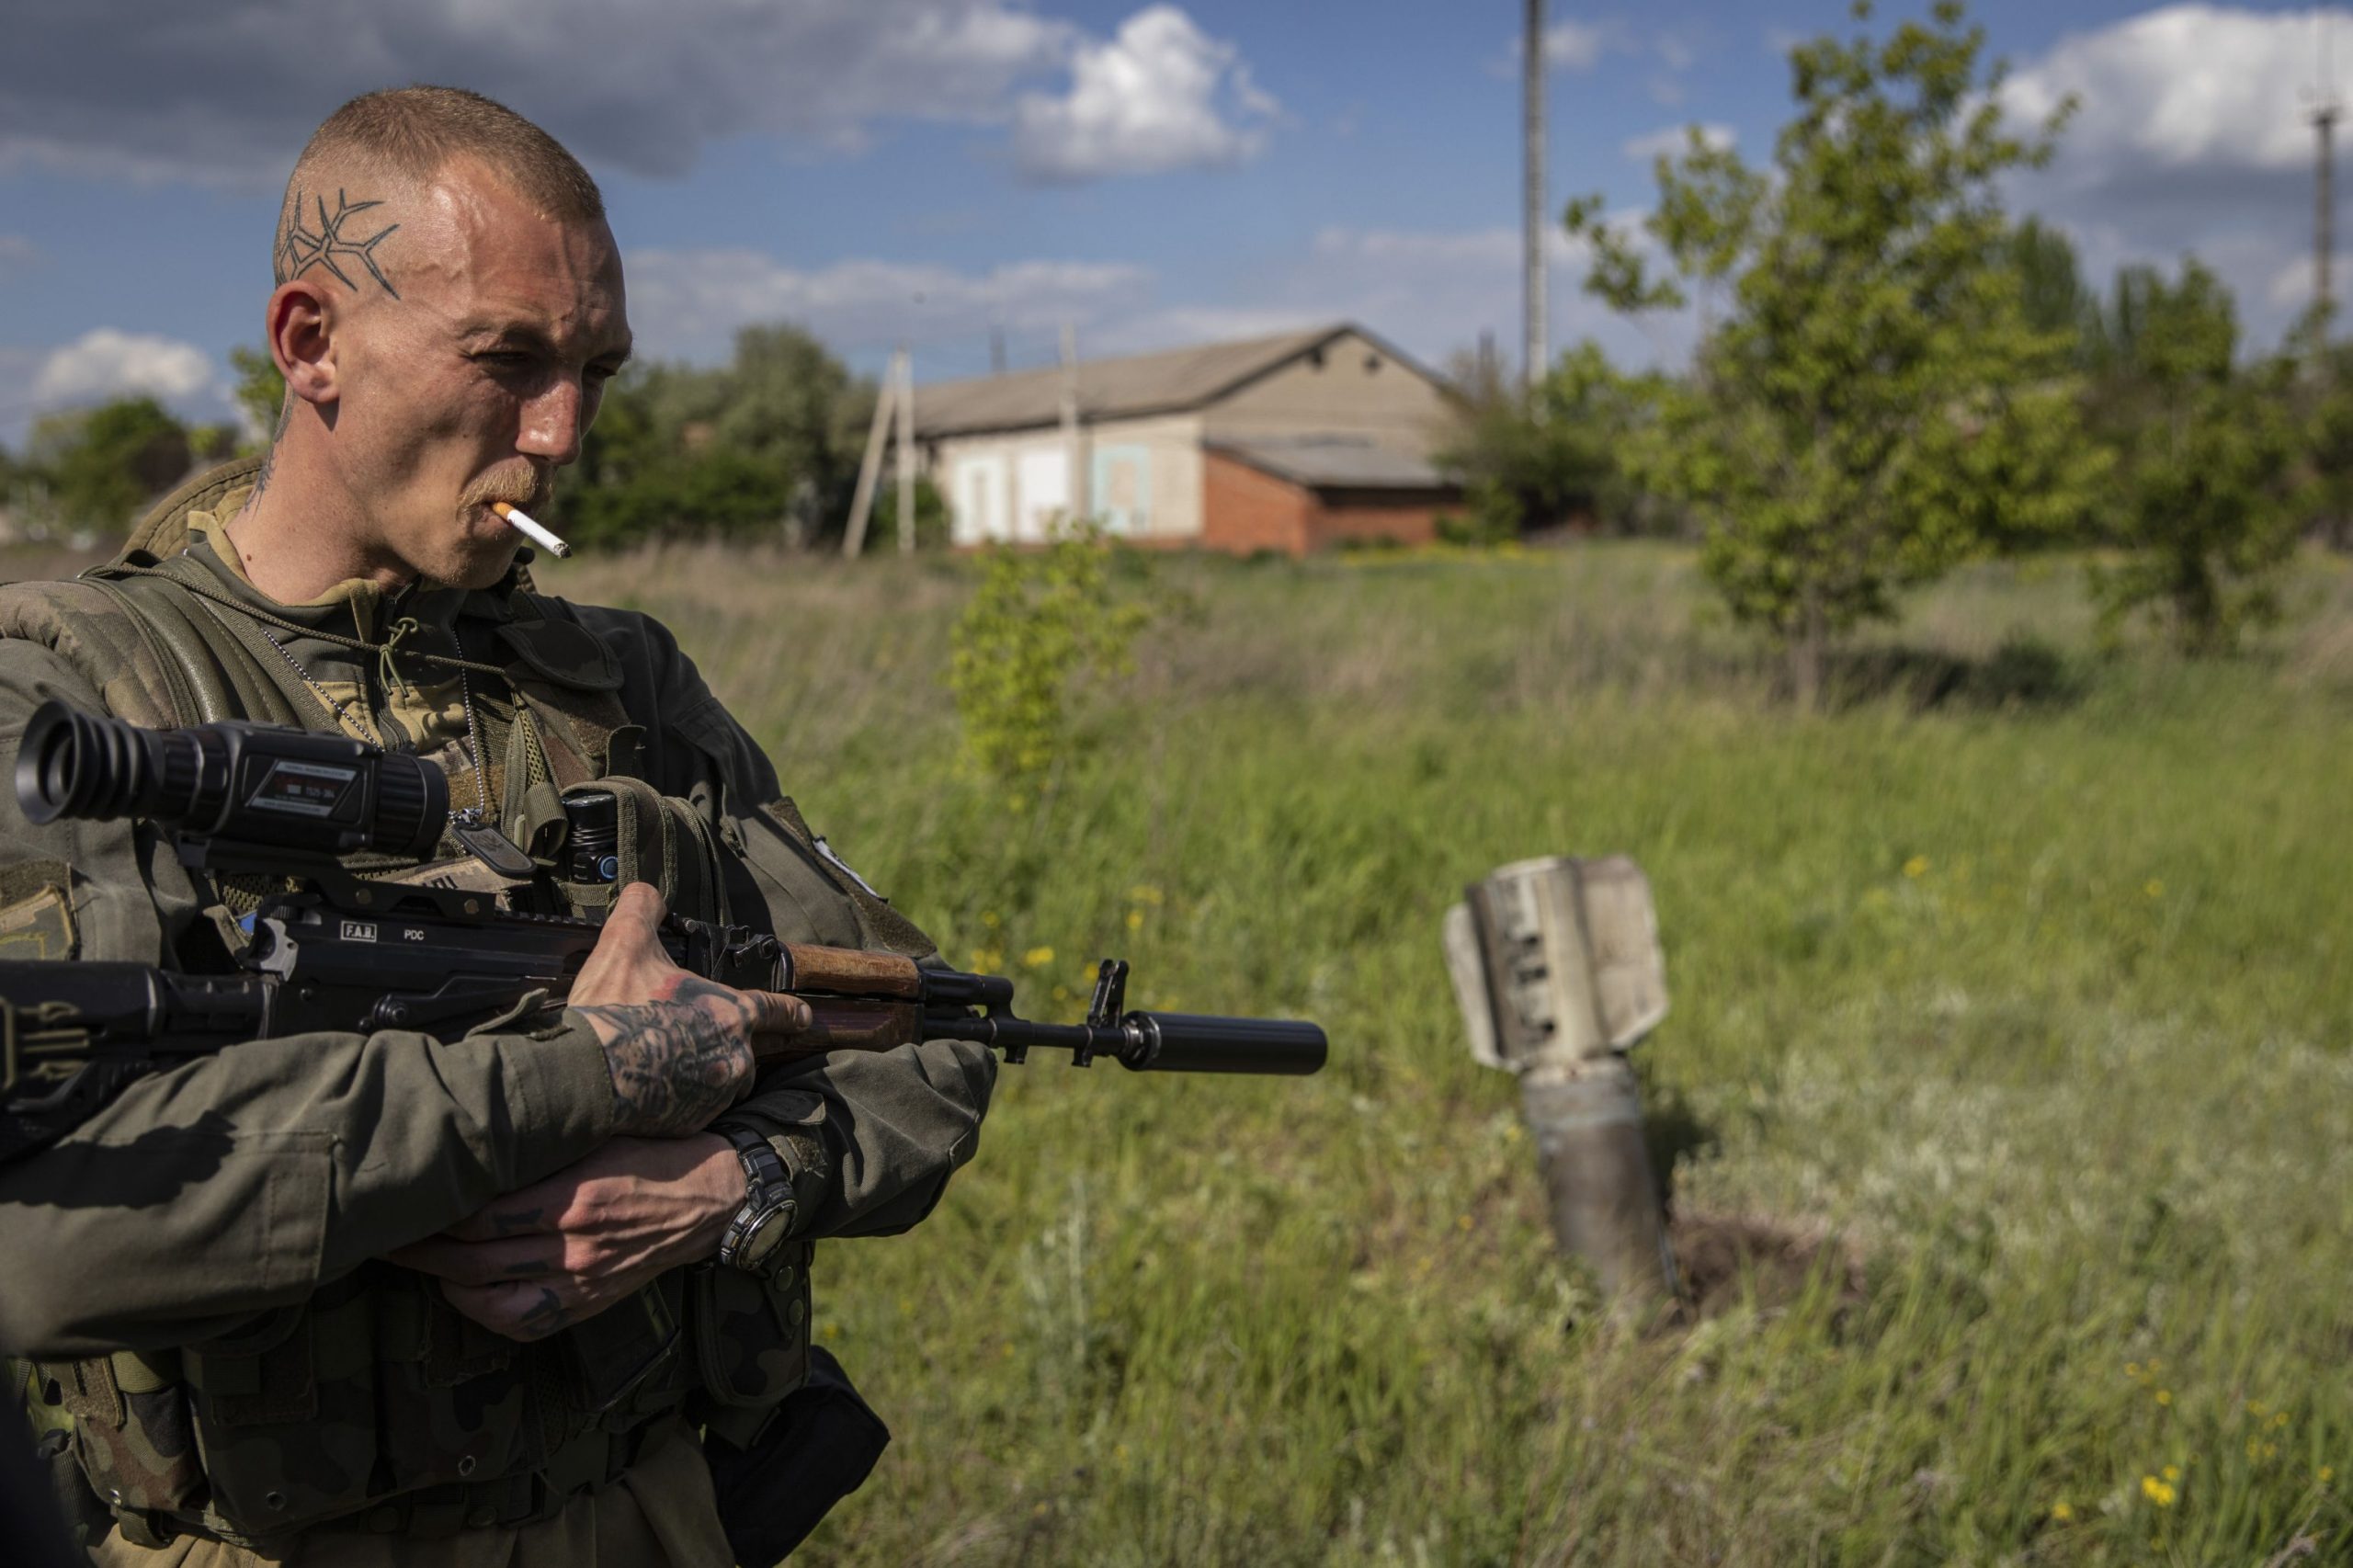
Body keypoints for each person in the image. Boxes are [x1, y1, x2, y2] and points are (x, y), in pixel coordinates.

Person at [0, 86, 995, 1563]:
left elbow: (930, 1030)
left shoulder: (622, 679)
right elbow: (53, 1234)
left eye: (595, 368)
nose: (563, 430)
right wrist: (580, 1080)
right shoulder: (80, 697)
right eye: (507, 359)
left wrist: (737, 1179)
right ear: (311, 341)